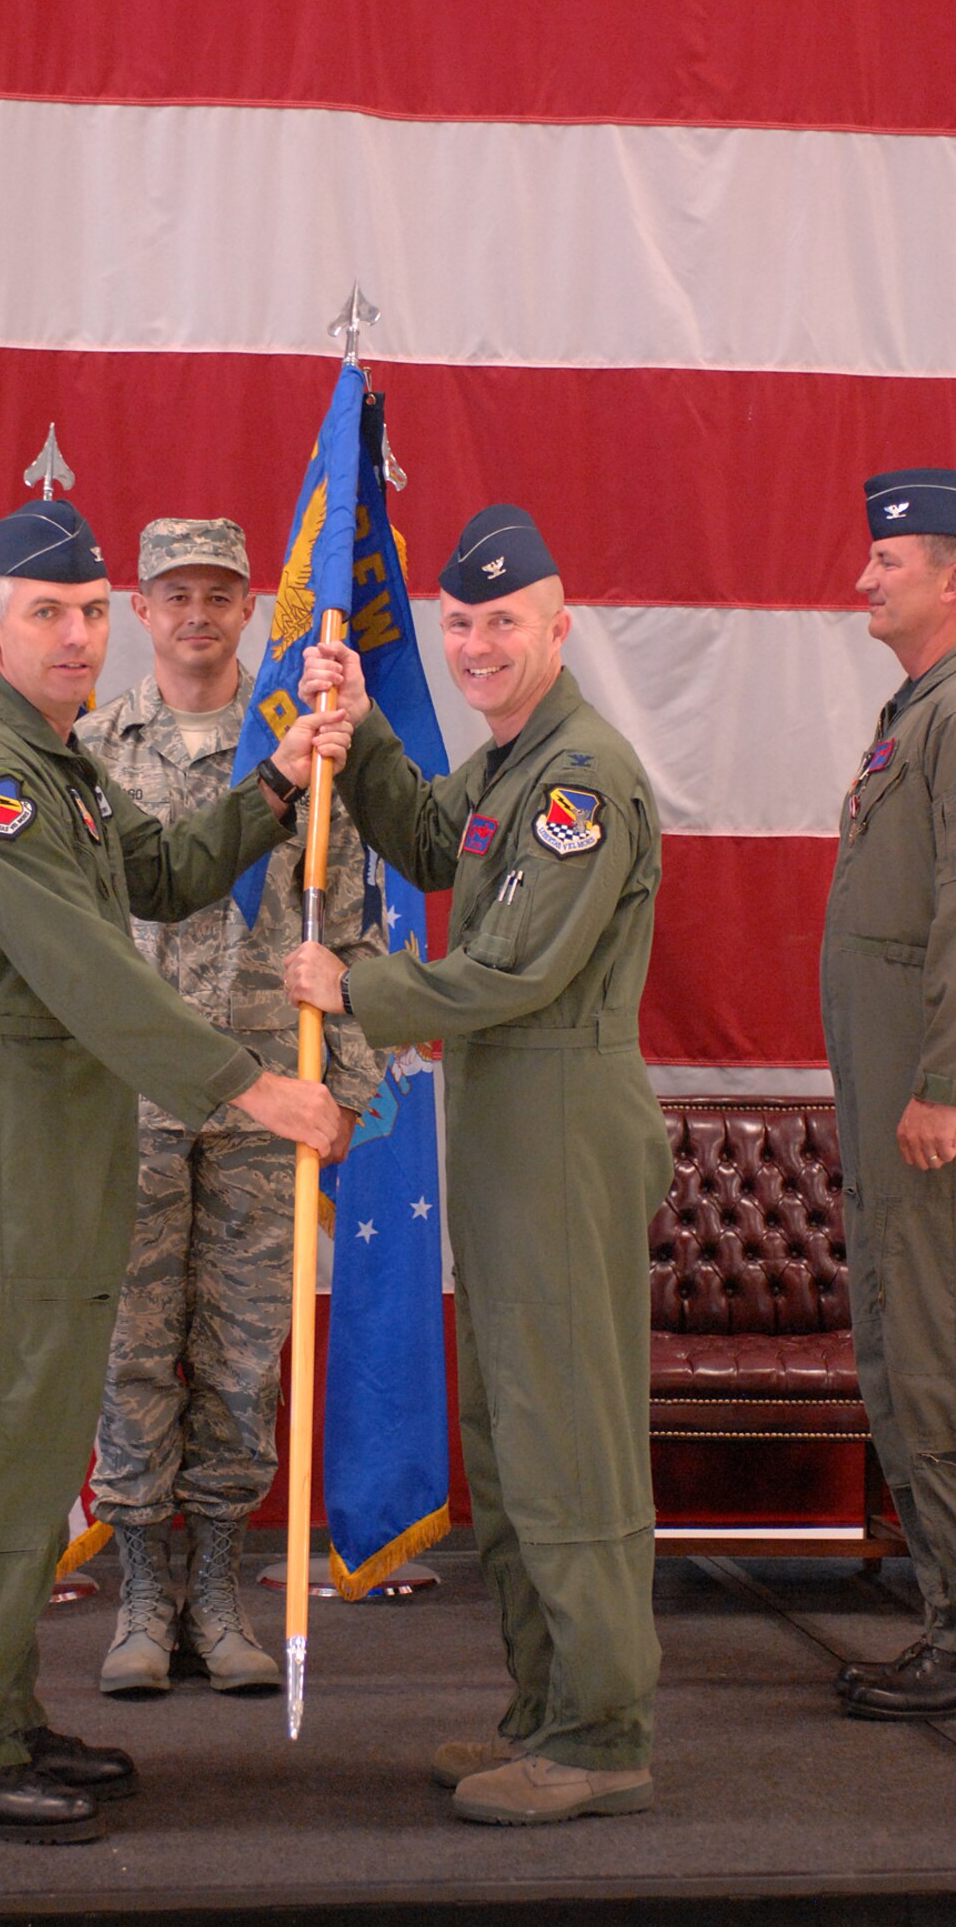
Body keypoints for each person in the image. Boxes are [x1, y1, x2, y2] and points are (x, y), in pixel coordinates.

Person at [0, 495, 346, 1844]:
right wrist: (250, 1084)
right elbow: (86, 970)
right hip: (2, 1137)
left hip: (61, 1129)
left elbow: (163, 874)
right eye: (49, 613)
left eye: (92, 611)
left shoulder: (61, 762)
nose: (79, 635)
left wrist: (276, 781)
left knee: (36, 1442)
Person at [285, 503, 673, 1827]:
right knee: (508, 1441)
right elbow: (422, 834)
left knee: (570, 1444)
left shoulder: (575, 779)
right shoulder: (511, 766)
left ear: (560, 626)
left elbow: (512, 970)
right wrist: (362, 717)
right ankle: (546, 1709)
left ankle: (604, 1729)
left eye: (501, 620)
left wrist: (353, 988)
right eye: (457, 624)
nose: (474, 643)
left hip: (560, 1130)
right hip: (508, 1132)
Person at [77, 517, 385, 1695]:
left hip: (268, 1092)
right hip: (134, 1100)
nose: (197, 613)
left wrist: (345, 1087)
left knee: (246, 1349)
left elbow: (351, 927)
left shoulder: (307, 751)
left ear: (250, 605)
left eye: (218, 592)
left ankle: (217, 1580)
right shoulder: (92, 751)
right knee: (133, 1350)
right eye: (174, 593)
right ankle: (144, 1592)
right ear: (140, 608)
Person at [821, 468, 956, 1720]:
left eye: (889, 558)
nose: (863, 576)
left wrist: (944, 1084)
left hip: (926, 1113)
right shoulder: (914, 707)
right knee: (895, 1348)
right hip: (889, 1100)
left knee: (927, 1362)